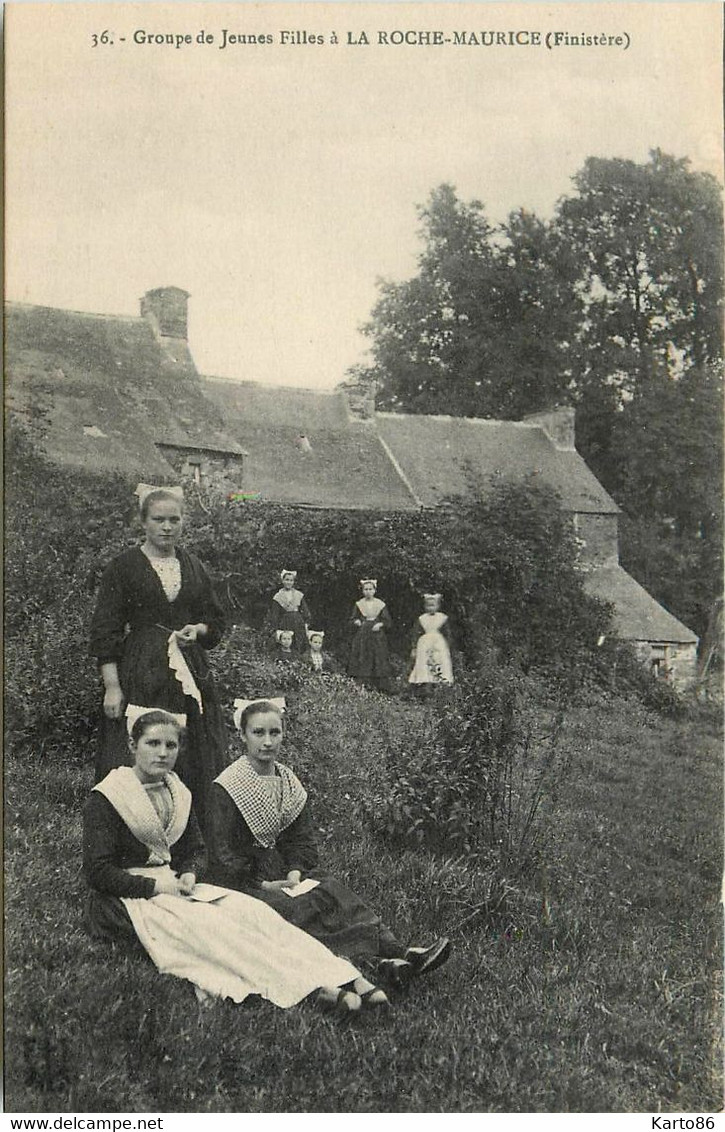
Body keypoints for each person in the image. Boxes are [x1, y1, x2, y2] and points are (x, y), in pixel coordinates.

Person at [83, 707, 385, 1015]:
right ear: (133, 746)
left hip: (175, 887)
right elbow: (97, 871)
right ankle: (308, 989)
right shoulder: (109, 797)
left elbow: (196, 851)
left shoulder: (177, 792)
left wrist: (188, 873)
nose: (162, 753)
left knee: (254, 914)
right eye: (153, 744)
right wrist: (154, 886)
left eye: (170, 746)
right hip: (125, 900)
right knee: (215, 931)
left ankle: (345, 976)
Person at [206, 698, 451, 987]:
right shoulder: (229, 786)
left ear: (284, 733)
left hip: (284, 871)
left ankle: (399, 952)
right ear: (243, 736)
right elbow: (222, 854)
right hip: (246, 881)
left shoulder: (287, 781)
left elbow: (301, 839)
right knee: (299, 910)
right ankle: (373, 962)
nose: (268, 742)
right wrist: (262, 883)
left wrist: (295, 871)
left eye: (275, 733)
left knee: (332, 892)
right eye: (258, 733)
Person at [89, 483, 228, 831]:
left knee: (192, 753)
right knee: (137, 749)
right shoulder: (123, 567)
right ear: (143, 522)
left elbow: (216, 620)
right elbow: (105, 630)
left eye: (174, 520)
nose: (167, 527)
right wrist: (112, 686)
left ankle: (190, 839)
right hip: (140, 671)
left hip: (187, 672)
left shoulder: (193, 566)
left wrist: (197, 629)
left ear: (183, 523)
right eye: (159, 519)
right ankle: (132, 838)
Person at [348, 579, 394, 693]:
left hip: (377, 634)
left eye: (370, 589)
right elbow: (352, 618)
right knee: (363, 655)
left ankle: (380, 687)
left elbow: (388, 621)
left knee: (378, 656)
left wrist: (380, 624)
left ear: (374, 590)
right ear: (363, 591)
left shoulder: (380, 604)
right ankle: (363, 685)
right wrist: (356, 621)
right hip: (363, 633)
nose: (368, 592)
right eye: (366, 589)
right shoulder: (359, 604)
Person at [408, 593, 454, 692]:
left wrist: (448, 645)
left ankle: (440, 687)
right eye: (428, 606)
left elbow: (448, 633)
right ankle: (425, 687)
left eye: (433, 605)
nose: (430, 608)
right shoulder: (422, 618)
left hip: (439, 644)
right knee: (425, 663)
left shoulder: (442, 618)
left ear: (438, 606)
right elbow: (416, 633)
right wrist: (414, 647)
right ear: (425, 606)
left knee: (439, 662)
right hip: (425, 643)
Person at [266, 570, 311, 654]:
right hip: (285, 622)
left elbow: (305, 611)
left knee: (299, 641)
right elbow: (275, 615)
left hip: (298, 621)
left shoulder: (298, 595)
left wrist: (306, 623)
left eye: (291, 580)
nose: (289, 582)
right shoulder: (278, 596)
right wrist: (275, 628)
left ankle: (298, 659)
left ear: (293, 582)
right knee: (287, 642)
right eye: (287, 580)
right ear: (283, 581)